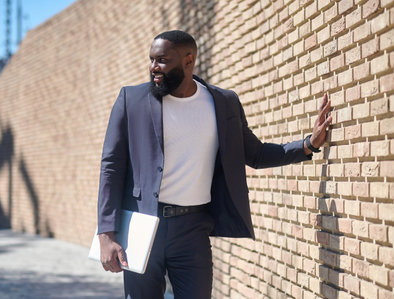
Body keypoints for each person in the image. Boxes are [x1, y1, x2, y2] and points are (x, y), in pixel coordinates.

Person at [97, 30, 332, 299]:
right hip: (142, 225)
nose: (153, 67)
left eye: (161, 60)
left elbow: (253, 153)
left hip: (192, 228)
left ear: (188, 61)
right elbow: (111, 167)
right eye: (151, 59)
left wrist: (307, 145)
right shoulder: (132, 100)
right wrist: (106, 233)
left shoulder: (223, 103)